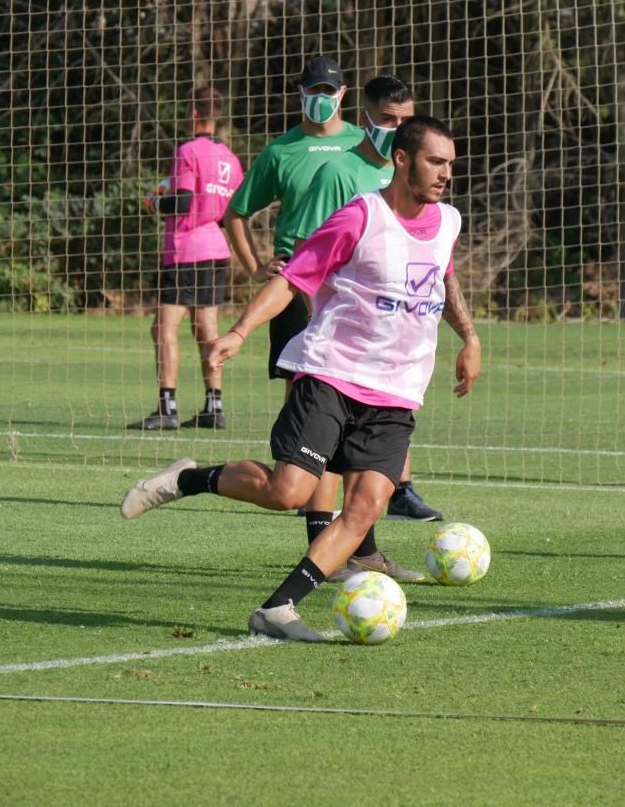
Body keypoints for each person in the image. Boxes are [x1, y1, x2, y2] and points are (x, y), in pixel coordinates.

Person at [121, 116, 482, 641]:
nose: (446, 173)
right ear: (402, 159)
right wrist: (240, 331)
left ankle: (278, 609)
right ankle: (187, 478)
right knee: (288, 492)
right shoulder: (361, 216)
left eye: (450, 163)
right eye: (436, 161)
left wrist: (469, 338)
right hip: (332, 374)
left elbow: (443, 278)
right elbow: (294, 278)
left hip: (396, 392)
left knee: (364, 510)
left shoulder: (447, 221)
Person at [221, 57, 423, 580]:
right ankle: (329, 546)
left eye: (329, 89)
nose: (321, 96)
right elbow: (236, 213)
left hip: (357, 298)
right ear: (301, 92)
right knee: (315, 428)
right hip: (297, 292)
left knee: (351, 424)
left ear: (343, 94)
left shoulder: (379, 150)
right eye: (313, 89)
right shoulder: (284, 151)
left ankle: (357, 543)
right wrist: (256, 269)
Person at [293, 74, 444, 533]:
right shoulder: (339, 173)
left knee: (370, 439)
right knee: (324, 452)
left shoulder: (411, 178)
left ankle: (370, 538)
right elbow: (310, 251)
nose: (397, 128)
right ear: (364, 118)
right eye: (387, 120)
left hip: (389, 336)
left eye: (406, 121)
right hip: (336, 333)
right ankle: (321, 535)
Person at [128, 86, 243, 431]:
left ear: (194, 113)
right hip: (216, 250)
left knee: (163, 329)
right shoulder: (231, 160)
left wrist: (153, 202)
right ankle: (214, 405)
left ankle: (167, 407)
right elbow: (228, 214)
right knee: (206, 330)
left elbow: (181, 203)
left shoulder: (188, 151)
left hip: (185, 251)